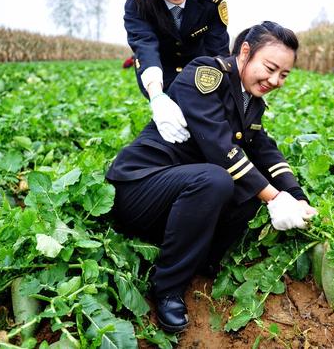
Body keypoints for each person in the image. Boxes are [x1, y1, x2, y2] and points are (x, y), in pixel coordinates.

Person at [106, 21, 318, 333]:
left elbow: (266, 152)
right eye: (270, 68)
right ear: (245, 52)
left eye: (284, 74)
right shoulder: (206, 75)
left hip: (179, 197)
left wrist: (298, 199)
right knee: (219, 179)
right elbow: (220, 147)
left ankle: (202, 260)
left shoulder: (252, 102)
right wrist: (273, 197)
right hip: (140, 188)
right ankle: (167, 288)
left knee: (246, 191)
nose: (275, 80)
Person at [123, 0, 230, 145]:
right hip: (162, 69)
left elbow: (219, 52)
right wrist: (157, 98)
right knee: (169, 126)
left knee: (203, 123)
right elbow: (144, 45)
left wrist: (228, 99)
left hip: (198, 65)